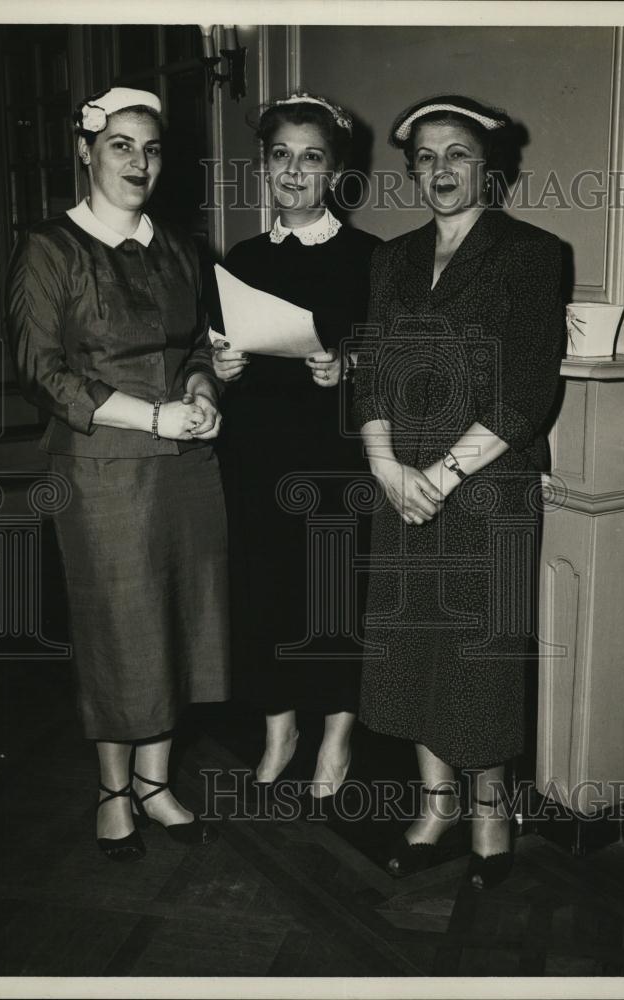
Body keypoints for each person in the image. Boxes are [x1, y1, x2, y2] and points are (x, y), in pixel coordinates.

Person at [6, 87, 229, 862]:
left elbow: (198, 342)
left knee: (179, 619)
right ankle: (112, 789)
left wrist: (201, 391)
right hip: (102, 468)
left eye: (152, 148)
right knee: (117, 627)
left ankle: (156, 782)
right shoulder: (50, 247)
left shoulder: (180, 248)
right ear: (86, 150)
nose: (139, 162)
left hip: (185, 468)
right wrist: (151, 416)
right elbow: (41, 371)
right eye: (121, 145)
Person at [353, 94, 564, 887]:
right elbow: (369, 367)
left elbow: (526, 389)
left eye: (458, 156)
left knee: (481, 654)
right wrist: (384, 466)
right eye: (427, 159)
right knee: (411, 649)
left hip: (485, 492)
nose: (441, 171)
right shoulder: (391, 258)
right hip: (399, 485)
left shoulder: (533, 253)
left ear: (491, 169)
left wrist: (438, 477)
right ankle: (435, 804)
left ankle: (490, 812)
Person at [211, 93, 380, 805]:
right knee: (262, 590)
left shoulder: (372, 259)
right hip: (255, 452)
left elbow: (396, 359)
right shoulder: (242, 258)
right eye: (280, 155)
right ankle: (279, 728)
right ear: (263, 167)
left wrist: (350, 366)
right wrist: (219, 371)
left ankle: (338, 734)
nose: (293, 170)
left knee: (332, 591)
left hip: (332, 455)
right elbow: (220, 354)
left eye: (311, 158)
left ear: (336, 172)